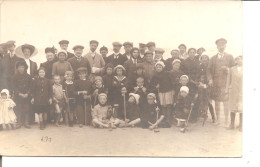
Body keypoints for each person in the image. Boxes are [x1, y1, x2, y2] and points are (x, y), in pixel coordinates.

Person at [207, 38, 235, 125]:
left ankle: (226, 120)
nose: (221, 47)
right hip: (215, 84)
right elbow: (208, 70)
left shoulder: (230, 57)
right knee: (217, 102)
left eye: (223, 45)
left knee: (225, 102)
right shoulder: (213, 58)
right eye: (220, 45)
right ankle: (218, 119)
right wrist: (210, 79)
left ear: (225, 46)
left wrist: (227, 69)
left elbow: (234, 69)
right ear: (217, 46)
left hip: (225, 84)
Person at [150, 61, 174, 127]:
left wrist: (171, 89)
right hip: (160, 92)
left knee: (168, 105)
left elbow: (171, 82)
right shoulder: (154, 75)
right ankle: (164, 119)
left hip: (168, 91)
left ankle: (169, 120)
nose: (158, 68)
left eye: (160, 67)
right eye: (157, 67)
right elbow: (152, 84)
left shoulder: (167, 74)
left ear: (162, 67)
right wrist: (156, 86)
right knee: (163, 105)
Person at [12, 61, 32, 129]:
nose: (21, 68)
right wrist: (19, 93)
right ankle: (19, 122)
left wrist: (27, 93)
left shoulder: (29, 76)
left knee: (27, 109)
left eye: (22, 67)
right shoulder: (14, 77)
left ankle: (26, 122)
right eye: (19, 67)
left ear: (25, 68)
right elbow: (13, 87)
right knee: (18, 109)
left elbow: (31, 86)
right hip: (18, 96)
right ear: (17, 68)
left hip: (26, 96)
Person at [198, 55, 216, 123]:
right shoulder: (199, 66)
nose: (204, 60)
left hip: (209, 85)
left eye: (206, 59)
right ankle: (203, 114)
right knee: (201, 100)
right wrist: (199, 82)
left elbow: (213, 76)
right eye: (203, 59)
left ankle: (213, 117)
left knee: (208, 102)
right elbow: (198, 75)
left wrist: (208, 84)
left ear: (208, 59)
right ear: (201, 60)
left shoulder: (210, 66)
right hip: (201, 85)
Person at [228, 56, 243, 131]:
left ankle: (241, 125)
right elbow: (228, 80)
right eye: (238, 59)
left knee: (242, 108)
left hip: (242, 91)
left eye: (241, 59)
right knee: (232, 107)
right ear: (236, 60)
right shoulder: (232, 69)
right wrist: (227, 89)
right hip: (233, 91)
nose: (240, 61)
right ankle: (232, 124)